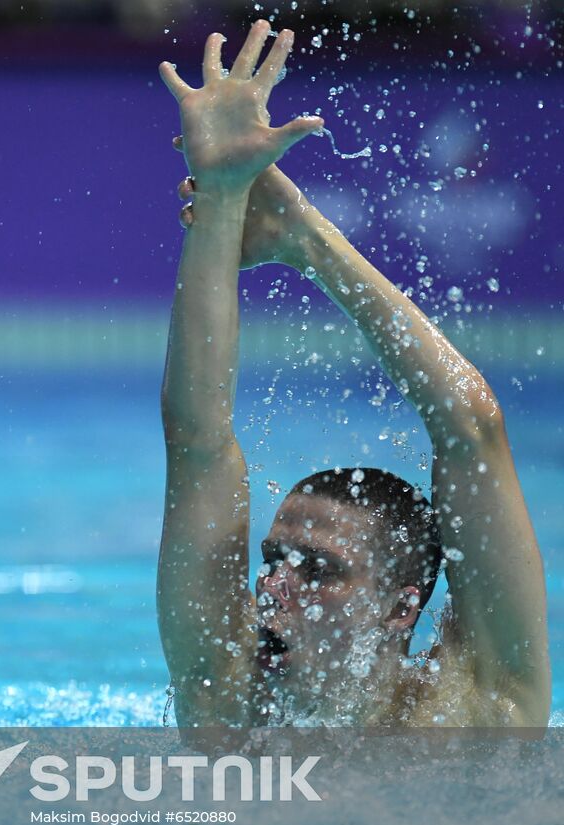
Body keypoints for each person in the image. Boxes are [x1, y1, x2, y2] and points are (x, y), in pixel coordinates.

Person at [155, 23, 550, 727]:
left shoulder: (477, 716)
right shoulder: (226, 700)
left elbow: (472, 429)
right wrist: (218, 202)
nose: (275, 585)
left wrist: (309, 241)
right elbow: (197, 438)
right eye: (276, 559)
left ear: (401, 606)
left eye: (320, 568)